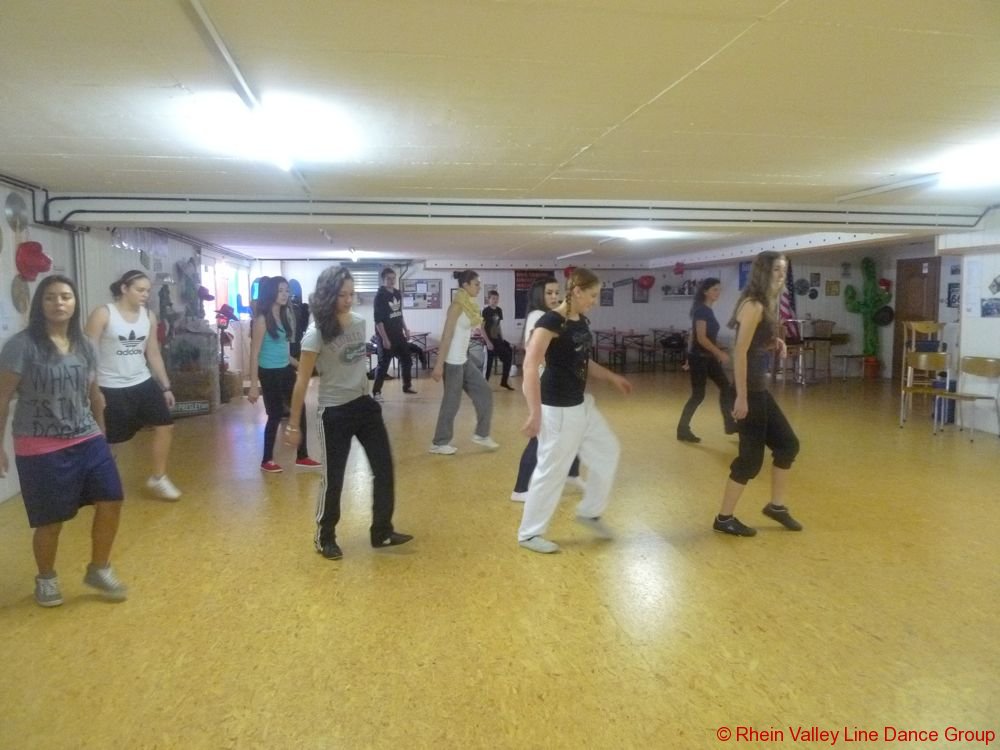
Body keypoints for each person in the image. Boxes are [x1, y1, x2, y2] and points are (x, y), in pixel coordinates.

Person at [0, 275, 128, 606]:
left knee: (112, 499)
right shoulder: (21, 345)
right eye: (51, 297)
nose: (59, 302)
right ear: (40, 304)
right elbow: (3, 398)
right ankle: (46, 578)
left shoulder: (85, 344)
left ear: (74, 303)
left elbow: (94, 394)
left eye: (65, 296)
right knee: (50, 521)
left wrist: (103, 436)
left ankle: (99, 568)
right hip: (40, 444)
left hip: (87, 437)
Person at [284, 267, 413, 560]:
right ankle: (324, 536)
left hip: (364, 405)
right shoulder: (315, 334)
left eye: (351, 294)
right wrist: (293, 424)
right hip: (334, 412)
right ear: (328, 295)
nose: (348, 300)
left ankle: (382, 531)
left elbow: (355, 363)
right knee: (334, 479)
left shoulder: (358, 322)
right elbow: (302, 380)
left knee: (384, 468)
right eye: (342, 295)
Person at [517, 268, 632, 554]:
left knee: (607, 450)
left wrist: (611, 377)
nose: (595, 301)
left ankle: (590, 513)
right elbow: (530, 365)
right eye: (592, 295)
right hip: (557, 408)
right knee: (551, 471)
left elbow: (582, 360)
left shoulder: (580, 320)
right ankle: (529, 534)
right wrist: (534, 413)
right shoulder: (550, 321)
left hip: (580, 404)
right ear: (577, 291)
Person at [714, 251, 802, 537]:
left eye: (784, 270)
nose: (781, 275)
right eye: (776, 269)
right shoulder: (753, 305)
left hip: (758, 390)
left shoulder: (765, 303)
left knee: (787, 445)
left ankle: (777, 506)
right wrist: (741, 397)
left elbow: (752, 343)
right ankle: (724, 518)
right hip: (748, 391)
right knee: (750, 460)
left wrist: (773, 341)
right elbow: (739, 351)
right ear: (764, 271)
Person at [85, 269, 180, 500]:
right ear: (124, 288)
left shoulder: (148, 316)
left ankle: (158, 478)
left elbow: (153, 353)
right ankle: (101, 481)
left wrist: (166, 386)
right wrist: (93, 390)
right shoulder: (103, 314)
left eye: (148, 290)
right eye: (140, 290)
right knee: (110, 440)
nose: (145, 294)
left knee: (165, 425)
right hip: (110, 386)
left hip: (142, 381)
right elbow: (87, 356)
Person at [510, 275, 584, 502]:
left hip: (553, 385)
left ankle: (571, 473)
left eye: (556, 292)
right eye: (549, 293)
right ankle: (520, 489)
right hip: (544, 386)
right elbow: (534, 356)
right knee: (540, 437)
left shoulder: (550, 316)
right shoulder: (540, 317)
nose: (554, 297)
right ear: (538, 296)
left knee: (574, 429)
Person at [248, 276, 320, 473]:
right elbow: (254, 354)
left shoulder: (285, 315)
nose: (284, 294)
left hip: (284, 369)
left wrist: (303, 365)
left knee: (300, 408)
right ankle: (266, 460)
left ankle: (302, 456)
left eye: (287, 291)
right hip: (268, 372)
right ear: (271, 292)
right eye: (280, 290)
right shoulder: (262, 320)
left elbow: (284, 352)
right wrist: (253, 386)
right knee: (275, 415)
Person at [429, 270, 498, 455]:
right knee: (451, 403)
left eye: (479, 284)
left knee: (484, 392)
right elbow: (447, 336)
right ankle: (439, 443)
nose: (479, 287)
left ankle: (481, 434)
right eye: (476, 284)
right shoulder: (456, 306)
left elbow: (468, 329)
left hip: (464, 360)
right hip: (452, 362)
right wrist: (439, 365)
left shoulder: (469, 306)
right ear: (465, 285)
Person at [676, 278, 738, 442]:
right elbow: (701, 338)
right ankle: (682, 430)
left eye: (719, 289)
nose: (718, 292)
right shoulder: (702, 310)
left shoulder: (707, 310)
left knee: (726, 387)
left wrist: (719, 348)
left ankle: (729, 424)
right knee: (698, 395)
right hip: (700, 358)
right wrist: (719, 353)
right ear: (705, 292)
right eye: (715, 289)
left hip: (706, 358)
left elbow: (694, 335)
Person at [372, 267, 416, 400]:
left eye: (393, 278)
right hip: (385, 336)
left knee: (407, 359)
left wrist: (406, 329)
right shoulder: (380, 296)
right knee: (383, 364)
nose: (391, 281)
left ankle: (407, 386)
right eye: (388, 279)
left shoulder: (397, 293)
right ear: (383, 280)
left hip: (398, 335)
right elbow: (378, 320)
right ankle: (376, 392)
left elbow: (399, 314)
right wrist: (385, 339)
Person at [482, 290, 515, 390]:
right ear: (489, 299)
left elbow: (498, 326)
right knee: (489, 364)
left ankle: (504, 382)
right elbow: (482, 328)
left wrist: (503, 339)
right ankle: (484, 385)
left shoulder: (499, 310)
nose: (495, 300)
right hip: (489, 341)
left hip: (498, 340)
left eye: (497, 298)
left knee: (508, 356)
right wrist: (488, 342)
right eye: (493, 298)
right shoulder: (485, 311)